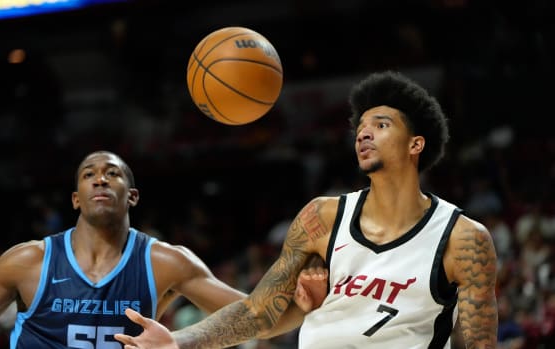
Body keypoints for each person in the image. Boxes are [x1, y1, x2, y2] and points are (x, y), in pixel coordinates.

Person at [113, 70, 499, 349]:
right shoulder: (323, 218)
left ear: (416, 145)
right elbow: (256, 314)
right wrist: (178, 341)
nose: (363, 133)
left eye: (381, 125)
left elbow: (480, 345)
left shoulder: (463, 239)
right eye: (361, 126)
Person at [0, 150, 325, 348]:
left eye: (112, 174)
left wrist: (301, 306)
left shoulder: (165, 263)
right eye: (89, 175)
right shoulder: (28, 261)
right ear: (76, 198)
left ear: (132, 195)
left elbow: (258, 317)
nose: (100, 179)